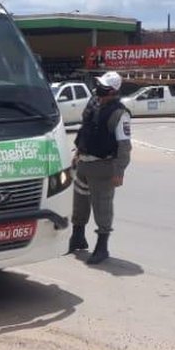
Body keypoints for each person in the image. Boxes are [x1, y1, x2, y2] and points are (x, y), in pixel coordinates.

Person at [68, 71, 132, 265]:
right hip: (84, 164)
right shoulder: (93, 105)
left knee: (102, 207)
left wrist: (119, 171)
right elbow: (85, 131)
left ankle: (102, 247)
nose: (98, 90)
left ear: (112, 91)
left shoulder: (120, 114)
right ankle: (77, 238)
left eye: (103, 87)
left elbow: (124, 145)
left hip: (103, 166)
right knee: (79, 204)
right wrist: (78, 152)